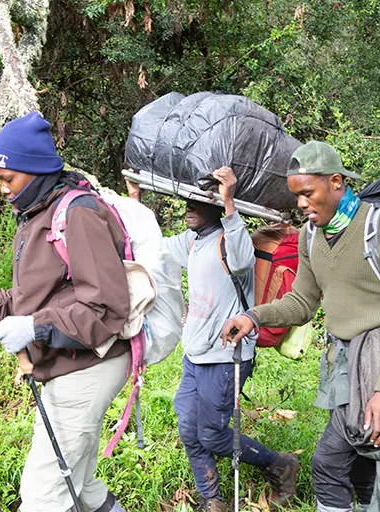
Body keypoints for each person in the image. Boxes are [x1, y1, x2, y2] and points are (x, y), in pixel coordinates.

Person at [221, 141, 380, 512]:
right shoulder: (310, 237)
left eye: (308, 193)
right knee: (362, 464)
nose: (301, 203)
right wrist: (253, 317)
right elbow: (301, 303)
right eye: (296, 195)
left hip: (379, 358)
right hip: (342, 363)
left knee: (329, 464)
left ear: (335, 182)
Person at [0, 112, 130, 512]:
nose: (1, 189)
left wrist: (36, 328)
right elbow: (38, 294)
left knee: (44, 495)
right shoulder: (37, 214)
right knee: (79, 484)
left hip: (88, 367)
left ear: (35, 171)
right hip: (68, 364)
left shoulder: (78, 213)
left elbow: (106, 308)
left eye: (7, 179)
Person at [126, 170, 299, 512]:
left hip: (226, 355)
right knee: (190, 428)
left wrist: (230, 199)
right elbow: (146, 245)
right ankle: (212, 500)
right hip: (195, 354)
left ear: (216, 207)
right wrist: (135, 199)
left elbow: (241, 259)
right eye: (187, 200)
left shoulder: (231, 241)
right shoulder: (191, 241)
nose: (189, 207)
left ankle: (280, 464)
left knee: (215, 434)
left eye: (199, 202)